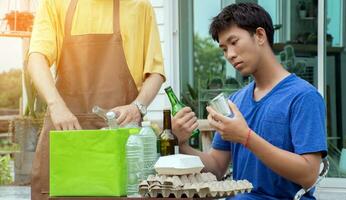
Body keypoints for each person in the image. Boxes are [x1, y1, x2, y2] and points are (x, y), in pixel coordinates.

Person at [172, 3, 327, 200]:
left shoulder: (303, 96)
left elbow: (308, 175)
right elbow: (217, 167)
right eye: (224, 49)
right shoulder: (236, 101)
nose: (229, 55)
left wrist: (246, 137)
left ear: (260, 36)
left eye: (234, 42)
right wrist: (182, 143)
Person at [27, 0, 165, 199]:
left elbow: (155, 72)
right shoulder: (55, 3)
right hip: (65, 141)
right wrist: (56, 106)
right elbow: (36, 59)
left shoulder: (140, 6)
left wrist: (137, 106)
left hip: (121, 143)